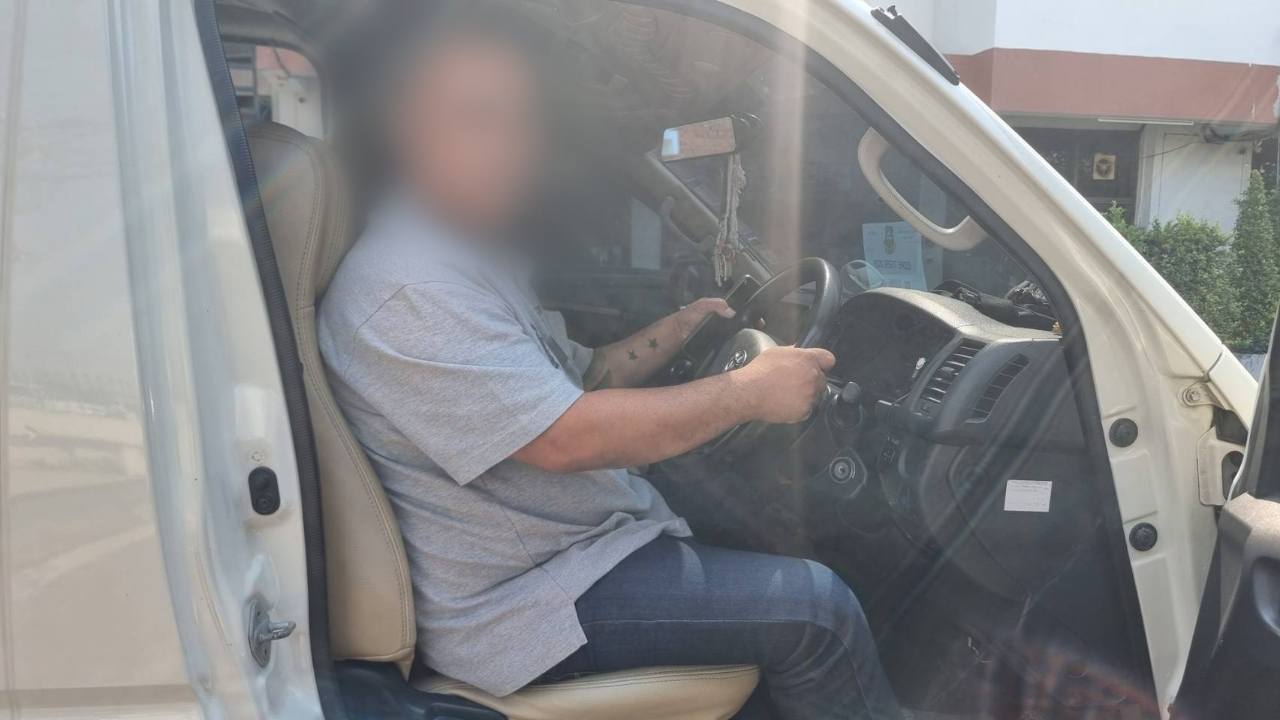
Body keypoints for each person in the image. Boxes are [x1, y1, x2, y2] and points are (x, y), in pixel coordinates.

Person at [317, 5, 902, 718]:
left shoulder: (461, 254)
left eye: (519, 121)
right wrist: (747, 391)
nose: (510, 148)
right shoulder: (408, 287)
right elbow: (565, 438)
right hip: (527, 606)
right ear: (405, 132)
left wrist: (681, 327)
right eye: (475, 119)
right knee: (817, 611)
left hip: (572, 555)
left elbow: (584, 375)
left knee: (767, 541)